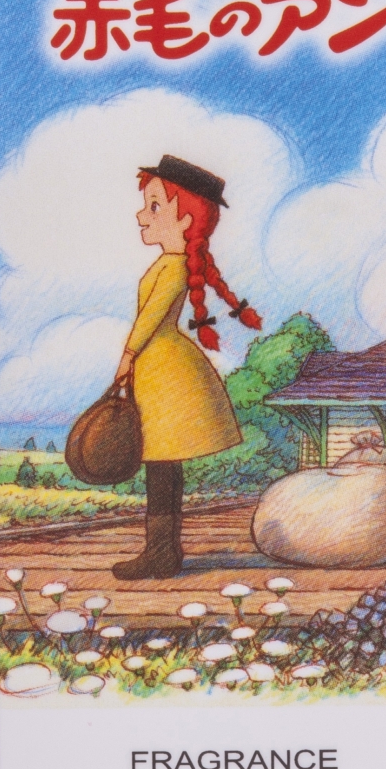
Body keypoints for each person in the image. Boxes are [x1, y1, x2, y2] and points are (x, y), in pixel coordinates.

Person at [111, 154, 262, 580]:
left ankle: (161, 553)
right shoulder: (168, 263)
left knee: (162, 465)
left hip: (166, 375)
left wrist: (127, 357)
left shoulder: (174, 267)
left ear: (186, 220)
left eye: (155, 206)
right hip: (158, 372)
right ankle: (163, 552)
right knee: (161, 465)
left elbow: (150, 317)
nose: (142, 215)